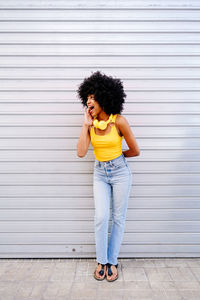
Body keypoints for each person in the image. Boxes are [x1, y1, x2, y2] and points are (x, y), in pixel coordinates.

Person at [76, 71, 140, 282]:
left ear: (104, 98)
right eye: (87, 99)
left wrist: (117, 157)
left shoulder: (119, 121)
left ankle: (112, 261)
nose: (88, 102)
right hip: (100, 173)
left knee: (118, 219)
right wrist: (86, 125)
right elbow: (81, 152)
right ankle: (101, 261)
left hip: (121, 171)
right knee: (101, 217)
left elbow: (135, 150)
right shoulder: (90, 125)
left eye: (92, 98)